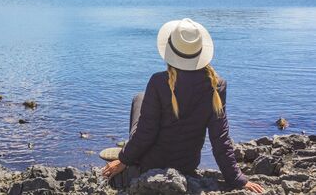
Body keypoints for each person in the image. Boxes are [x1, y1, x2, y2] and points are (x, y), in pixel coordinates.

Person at [102, 18, 264, 194]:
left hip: (150, 163)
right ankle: (131, 152)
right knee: (144, 105)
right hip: (187, 164)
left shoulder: (158, 82)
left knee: (139, 99)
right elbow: (220, 139)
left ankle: (130, 155)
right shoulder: (217, 85)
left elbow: (146, 132)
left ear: (170, 50)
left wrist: (123, 160)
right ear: (200, 52)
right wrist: (237, 179)